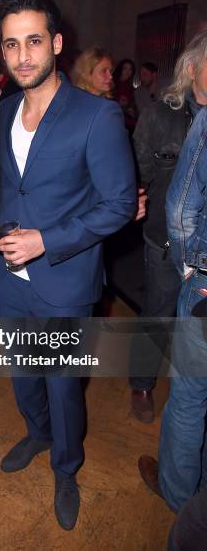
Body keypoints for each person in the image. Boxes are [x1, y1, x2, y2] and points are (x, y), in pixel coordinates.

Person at [0, 0, 136, 530]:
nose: (23, 55)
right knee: (22, 373)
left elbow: (120, 203)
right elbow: (11, 187)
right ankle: (38, 432)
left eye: (33, 41)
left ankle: (66, 466)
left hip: (66, 277)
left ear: (55, 42)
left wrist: (46, 240)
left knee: (62, 385)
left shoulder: (96, 115)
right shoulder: (4, 110)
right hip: (12, 277)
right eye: (11, 44)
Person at [129, 32, 207, 423]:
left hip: (205, 251)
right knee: (157, 316)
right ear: (192, 69)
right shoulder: (160, 115)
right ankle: (141, 383)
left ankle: (188, 401)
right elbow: (137, 172)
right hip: (162, 240)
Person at [138, 106, 207, 514]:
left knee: (190, 397)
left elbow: (180, 210)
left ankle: (183, 503)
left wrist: (190, 268)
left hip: (201, 277)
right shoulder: (164, 111)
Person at [112, 58, 137, 136]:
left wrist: (132, 110)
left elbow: (133, 106)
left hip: (129, 125)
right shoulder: (112, 84)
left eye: (130, 69)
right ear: (120, 69)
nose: (127, 72)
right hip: (114, 123)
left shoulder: (132, 88)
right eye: (125, 68)